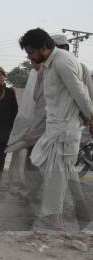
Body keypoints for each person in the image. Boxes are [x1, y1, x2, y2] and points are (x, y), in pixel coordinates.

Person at [20, 28, 93, 230]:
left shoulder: (62, 62)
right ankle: (79, 211)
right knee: (47, 164)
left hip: (65, 130)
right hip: (54, 128)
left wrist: (90, 118)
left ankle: (55, 220)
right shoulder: (49, 65)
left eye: (31, 52)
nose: (29, 56)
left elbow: (82, 94)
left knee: (57, 173)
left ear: (44, 47)